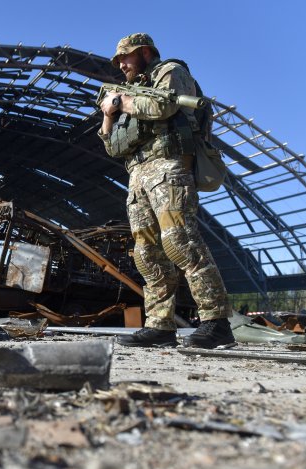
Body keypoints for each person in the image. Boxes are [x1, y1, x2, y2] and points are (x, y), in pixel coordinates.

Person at [98, 33, 235, 349]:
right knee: (147, 253)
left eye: (125, 57)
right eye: (118, 60)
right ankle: (159, 325)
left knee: (180, 242)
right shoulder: (126, 93)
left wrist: (123, 102)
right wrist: (108, 113)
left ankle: (216, 322)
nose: (121, 64)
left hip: (168, 165)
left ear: (145, 52)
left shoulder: (169, 71)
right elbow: (111, 147)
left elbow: (163, 108)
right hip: (138, 175)